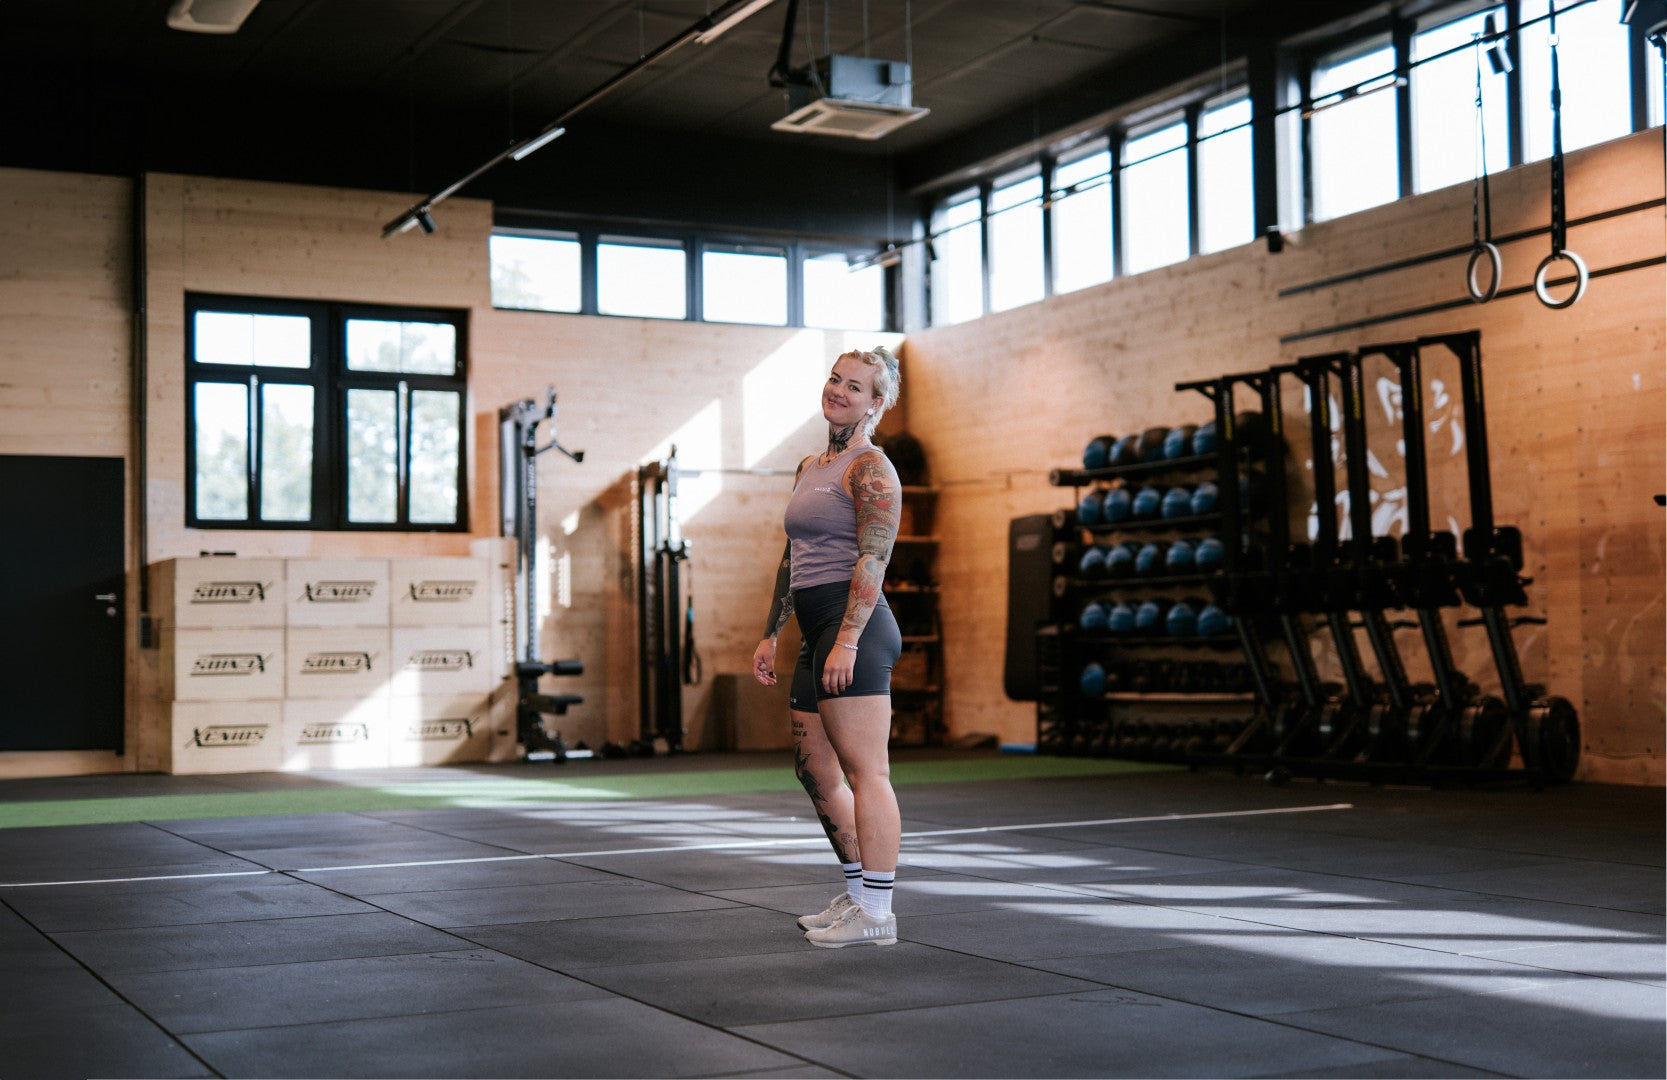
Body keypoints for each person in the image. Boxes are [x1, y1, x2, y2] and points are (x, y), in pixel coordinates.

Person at [752, 346, 904, 949]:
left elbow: (874, 558)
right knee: (815, 768)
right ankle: (858, 893)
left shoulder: (871, 469)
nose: (838, 390)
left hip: (854, 628)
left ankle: (879, 913)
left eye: (855, 386)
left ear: (875, 403)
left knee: (867, 772)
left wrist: (846, 640)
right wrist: (772, 632)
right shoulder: (810, 466)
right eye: (836, 379)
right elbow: (793, 557)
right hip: (817, 628)